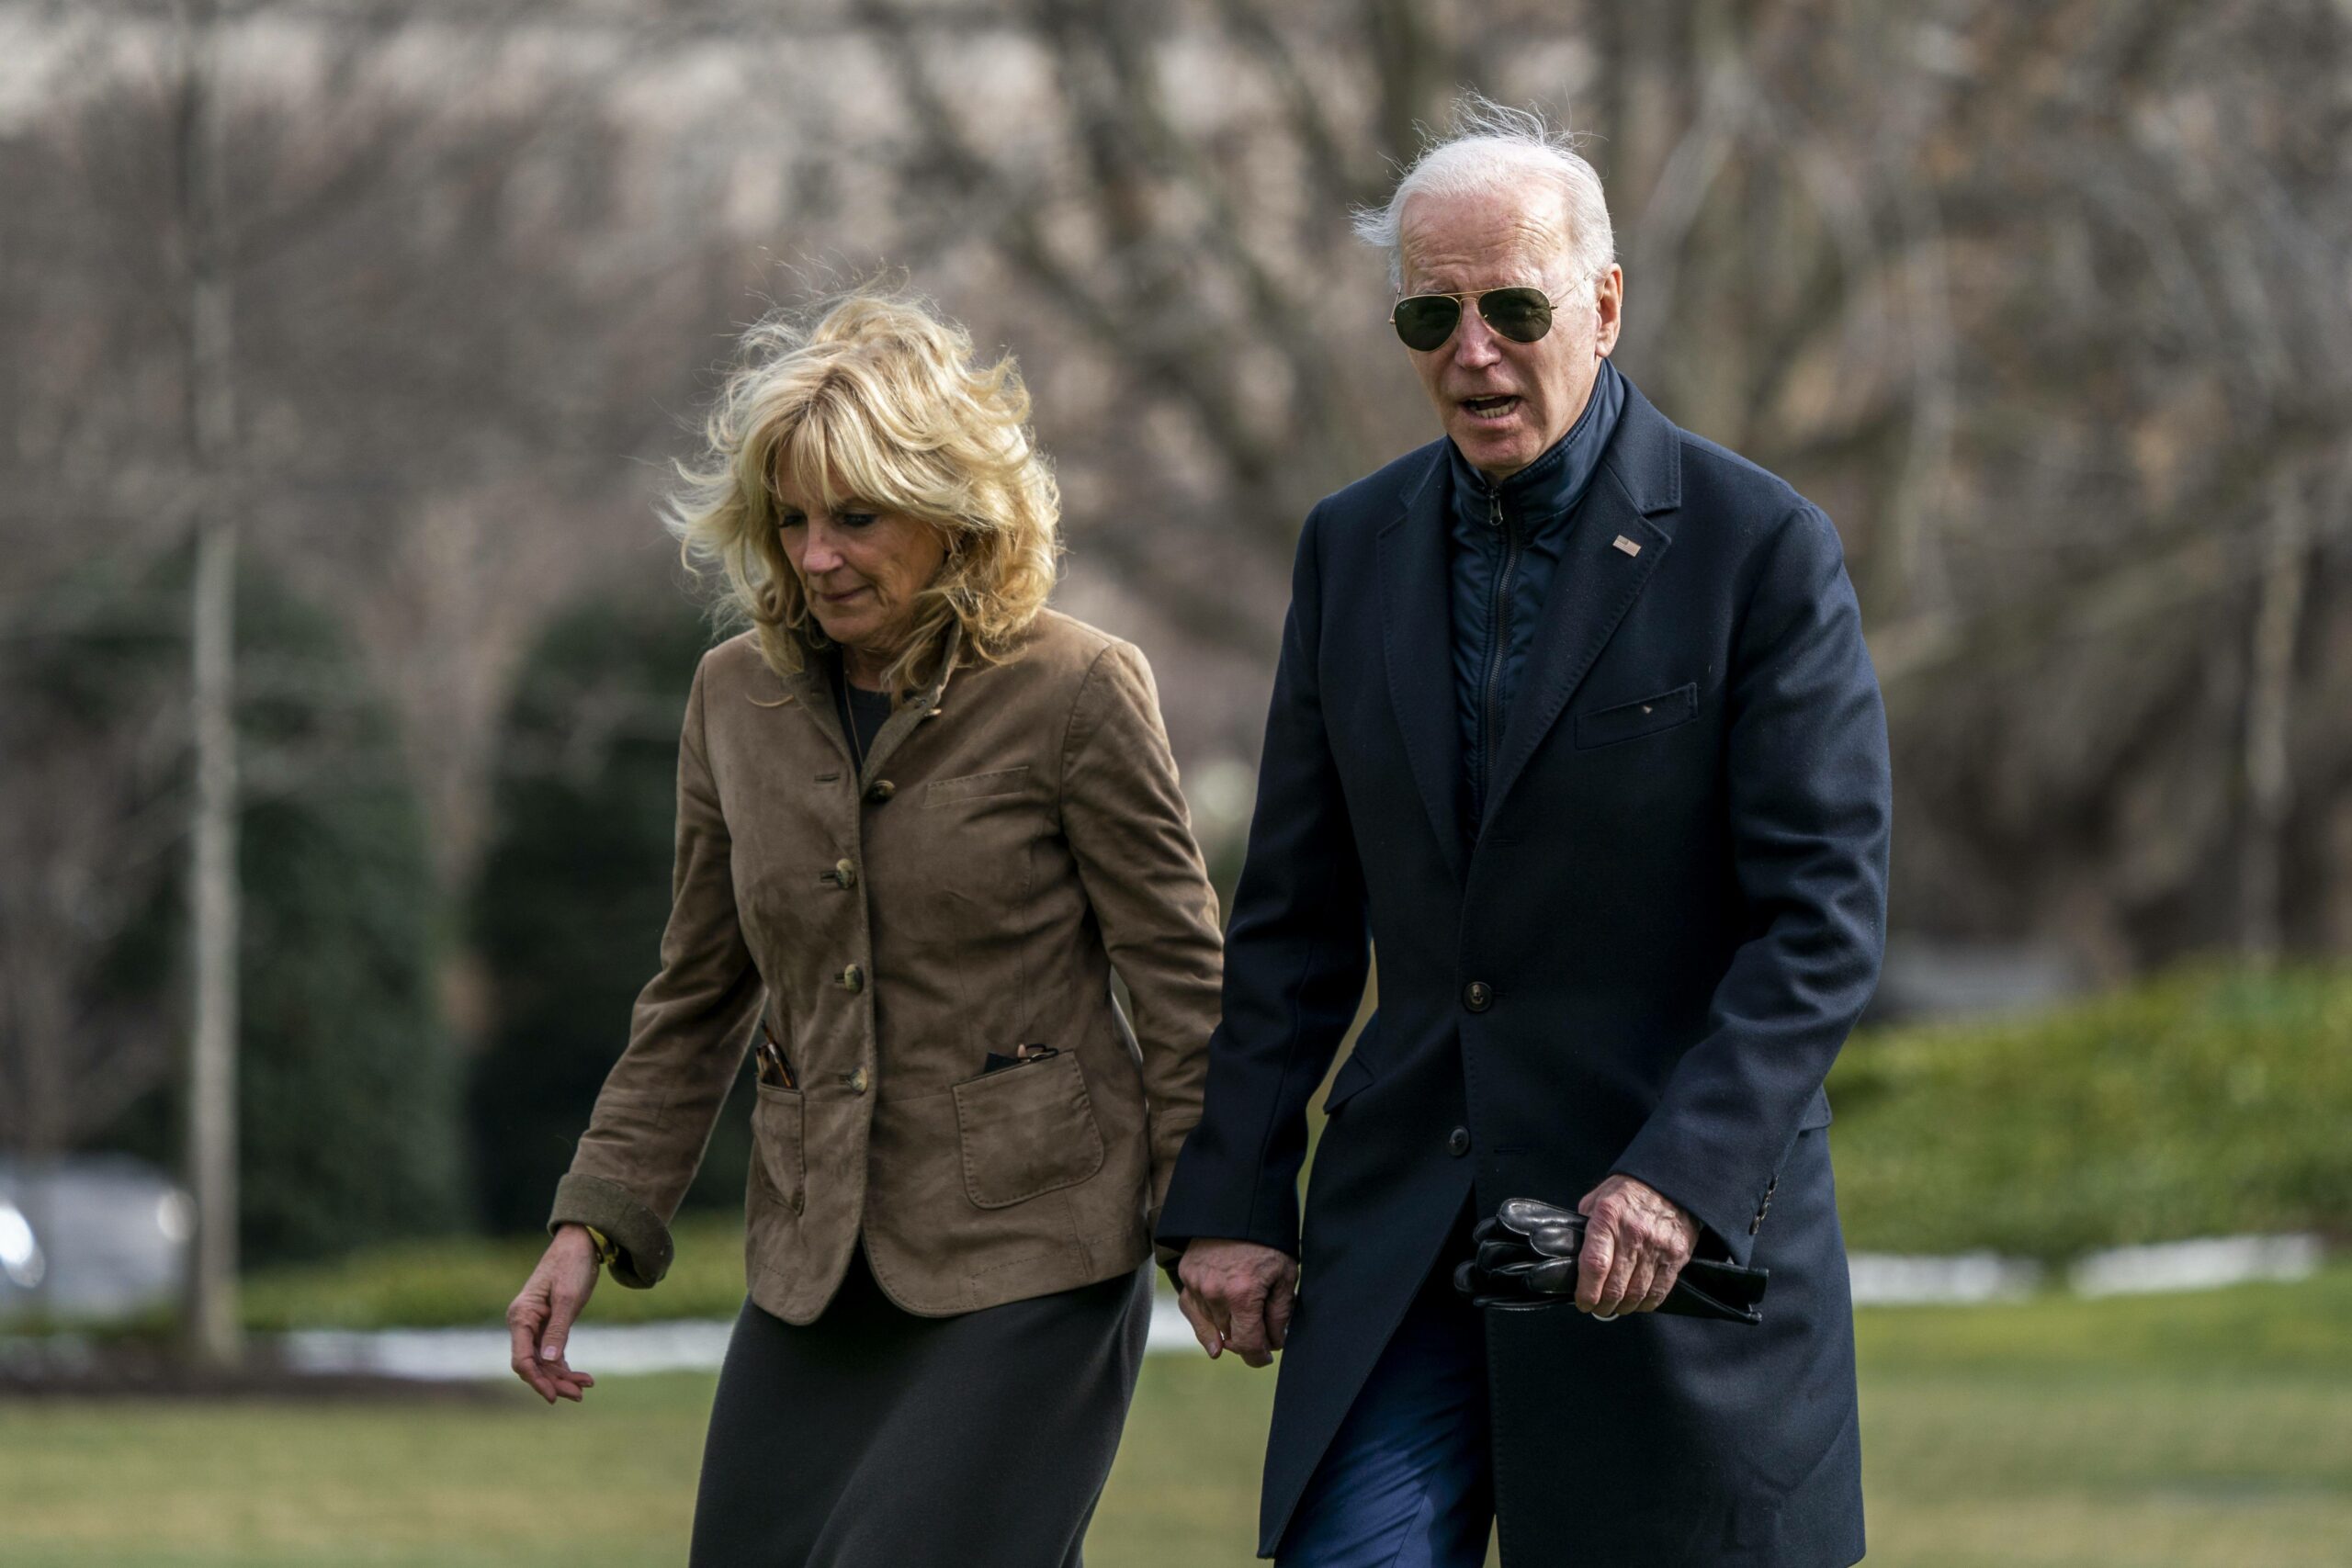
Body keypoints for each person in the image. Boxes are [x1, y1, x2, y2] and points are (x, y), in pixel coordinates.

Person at [1157, 98, 1892, 1567]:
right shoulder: (1349, 547)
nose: (1470, 351)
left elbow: (1820, 921)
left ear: (1603, 305)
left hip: (1662, 1248)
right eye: (1429, 314)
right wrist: (1233, 1192)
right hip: (1408, 1235)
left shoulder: (1761, 550)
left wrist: (1678, 1174)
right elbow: (1295, 911)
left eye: (1512, 306)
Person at [503, 290, 1224, 1568]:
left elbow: (1179, 984)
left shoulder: (1078, 688)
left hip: (1033, 1259)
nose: (817, 555)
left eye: (856, 516)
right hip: (810, 1268)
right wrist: (591, 1221)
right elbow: (696, 995)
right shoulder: (732, 698)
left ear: (951, 515)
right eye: (790, 520)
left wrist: (1220, 1214)